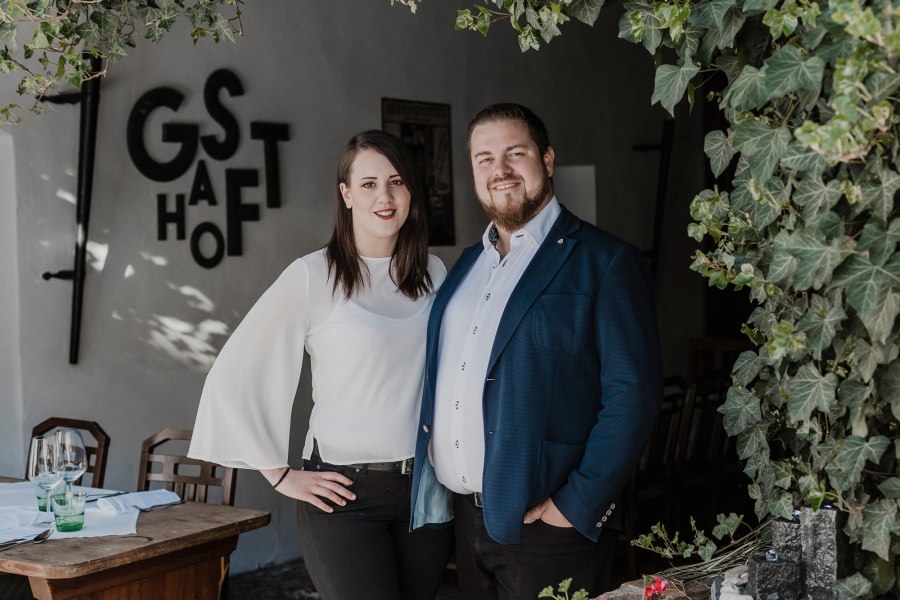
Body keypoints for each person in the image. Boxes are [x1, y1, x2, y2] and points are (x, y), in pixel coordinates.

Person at [408, 103, 663, 599]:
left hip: (549, 527)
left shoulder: (606, 261)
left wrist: (576, 506)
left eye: (514, 153)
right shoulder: (464, 268)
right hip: (465, 521)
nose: (499, 170)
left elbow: (634, 397)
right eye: (484, 159)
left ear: (546, 160)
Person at [189, 130, 453, 600]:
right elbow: (233, 374)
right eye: (368, 184)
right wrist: (281, 474)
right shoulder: (314, 275)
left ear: (412, 191)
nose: (385, 196)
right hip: (344, 496)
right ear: (346, 194)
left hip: (424, 492)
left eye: (396, 181)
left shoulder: (433, 272)